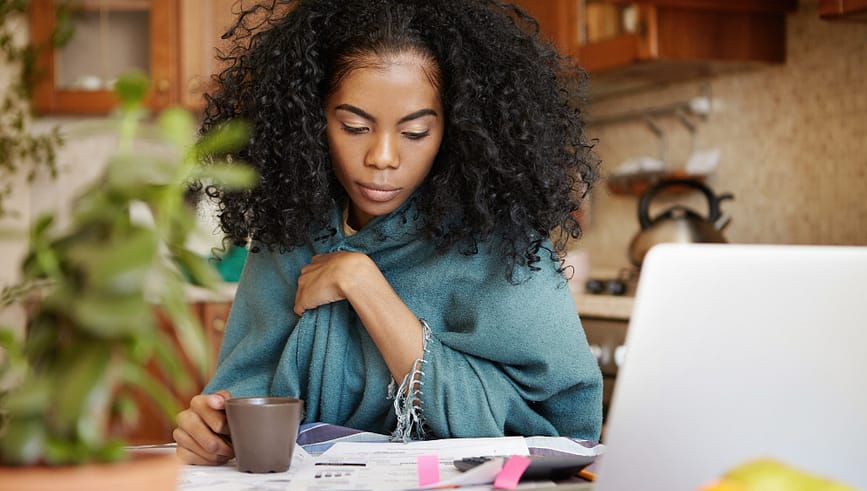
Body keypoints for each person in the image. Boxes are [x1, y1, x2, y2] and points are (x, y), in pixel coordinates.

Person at [174, 0, 602, 466]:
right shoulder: (291, 231)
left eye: (415, 132)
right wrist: (213, 429)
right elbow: (247, 396)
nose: (382, 157)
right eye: (354, 126)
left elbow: (560, 434)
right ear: (311, 120)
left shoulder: (502, 248)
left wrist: (363, 283)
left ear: (455, 130)